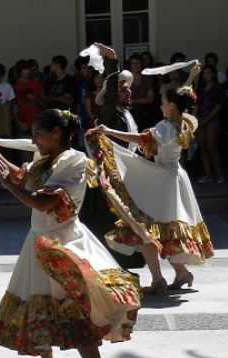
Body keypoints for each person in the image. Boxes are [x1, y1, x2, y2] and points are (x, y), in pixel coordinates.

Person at [0, 109, 141, 358]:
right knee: (36, 310)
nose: (34, 140)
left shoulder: (72, 161)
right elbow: (28, 179)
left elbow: (42, 202)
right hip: (38, 243)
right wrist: (0, 161)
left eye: (39, 134)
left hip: (61, 246)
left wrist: (7, 183)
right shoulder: (47, 159)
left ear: (57, 132)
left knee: (73, 316)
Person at [89, 78, 214, 294]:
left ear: (172, 106)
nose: (161, 105)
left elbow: (141, 140)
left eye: (164, 102)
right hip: (173, 176)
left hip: (163, 179)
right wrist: (191, 77)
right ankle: (179, 273)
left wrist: (109, 132)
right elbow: (181, 97)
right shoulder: (183, 123)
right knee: (159, 230)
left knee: (145, 227)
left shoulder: (165, 127)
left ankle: (159, 280)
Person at [84, 42, 146, 270]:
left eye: (129, 88)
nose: (128, 91)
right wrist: (113, 61)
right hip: (108, 177)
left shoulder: (124, 113)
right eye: (122, 89)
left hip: (125, 175)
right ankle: (115, 261)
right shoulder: (108, 111)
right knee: (112, 220)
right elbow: (110, 90)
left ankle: (131, 258)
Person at [195, 65, 226, 183]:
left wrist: (207, 120)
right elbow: (197, 105)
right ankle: (208, 174)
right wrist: (194, 119)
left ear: (213, 74)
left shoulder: (218, 88)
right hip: (200, 119)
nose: (206, 76)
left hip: (212, 119)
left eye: (208, 73)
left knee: (211, 146)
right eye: (204, 74)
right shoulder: (200, 89)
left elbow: (218, 106)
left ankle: (220, 174)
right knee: (202, 147)